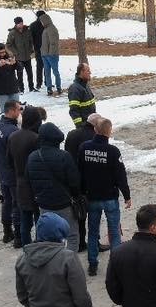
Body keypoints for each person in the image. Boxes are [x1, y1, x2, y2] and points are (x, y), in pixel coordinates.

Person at [81, 117, 130, 276]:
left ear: (95, 130)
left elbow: (80, 171)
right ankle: (116, 266)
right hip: (109, 197)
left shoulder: (84, 148)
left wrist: (82, 191)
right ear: (110, 132)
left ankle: (92, 264)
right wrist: (127, 195)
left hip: (92, 197)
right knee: (114, 232)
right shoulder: (113, 151)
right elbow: (121, 176)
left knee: (93, 231)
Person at [26, 123, 81, 251]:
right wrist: (75, 196)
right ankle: (69, 260)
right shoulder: (64, 156)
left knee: (47, 236)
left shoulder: (33, 157)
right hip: (64, 203)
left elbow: (28, 180)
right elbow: (74, 182)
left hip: (43, 204)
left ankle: (50, 259)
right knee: (72, 235)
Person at [9, 106, 43, 245]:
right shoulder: (36, 138)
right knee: (39, 218)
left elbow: (9, 161)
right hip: (36, 184)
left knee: (25, 219)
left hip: (20, 182)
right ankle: (39, 246)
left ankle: (26, 247)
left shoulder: (13, 136)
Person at [65, 115, 98, 256]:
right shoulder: (93, 137)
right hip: (88, 180)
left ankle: (80, 242)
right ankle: (94, 242)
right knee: (93, 213)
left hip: (72, 178)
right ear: (95, 125)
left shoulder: (72, 133)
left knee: (79, 212)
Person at [0, 101, 22, 247]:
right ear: (12, 111)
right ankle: (18, 236)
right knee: (17, 204)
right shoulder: (12, 132)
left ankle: (7, 232)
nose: (20, 112)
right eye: (19, 109)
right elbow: (15, 155)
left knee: (7, 202)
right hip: (12, 174)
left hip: (2, 172)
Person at [6, 16, 36, 93]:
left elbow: (31, 41)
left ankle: (31, 87)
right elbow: (9, 45)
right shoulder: (12, 33)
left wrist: (31, 50)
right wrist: (15, 52)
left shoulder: (27, 31)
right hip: (19, 57)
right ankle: (21, 89)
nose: (21, 25)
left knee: (30, 73)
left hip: (27, 56)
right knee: (20, 74)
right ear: (16, 24)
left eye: (21, 23)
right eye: (19, 23)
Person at [67, 62, 97, 127]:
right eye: (88, 71)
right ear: (81, 72)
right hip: (84, 126)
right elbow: (74, 111)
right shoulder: (75, 89)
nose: (90, 73)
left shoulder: (85, 86)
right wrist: (80, 126)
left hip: (91, 124)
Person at [40, 12, 61, 95]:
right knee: (47, 72)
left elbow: (53, 43)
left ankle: (58, 87)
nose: (41, 23)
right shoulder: (46, 29)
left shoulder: (52, 29)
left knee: (55, 72)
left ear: (46, 20)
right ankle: (49, 88)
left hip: (52, 55)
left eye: (42, 21)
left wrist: (51, 53)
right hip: (45, 54)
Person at [29, 11, 46, 93]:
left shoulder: (46, 24)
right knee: (40, 66)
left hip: (46, 48)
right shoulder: (33, 25)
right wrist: (32, 48)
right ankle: (39, 83)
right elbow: (30, 38)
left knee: (46, 66)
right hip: (38, 49)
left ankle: (46, 82)